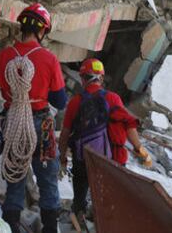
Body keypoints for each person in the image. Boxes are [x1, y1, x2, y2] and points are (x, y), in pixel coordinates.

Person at [0, 3, 67, 233]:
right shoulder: (49, 59)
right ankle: (49, 228)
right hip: (41, 125)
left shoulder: (4, 57)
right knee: (47, 180)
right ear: (42, 31)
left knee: (15, 178)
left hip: (12, 123)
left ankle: (11, 227)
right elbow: (60, 102)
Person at [59, 58, 151, 220]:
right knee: (111, 202)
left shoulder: (75, 103)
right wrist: (140, 149)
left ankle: (79, 217)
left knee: (80, 197)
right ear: (101, 78)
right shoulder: (113, 99)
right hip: (112, 162)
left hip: (84, 162)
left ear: (82, 78)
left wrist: (62, 159)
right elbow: (129, 125)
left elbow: (65, 133)